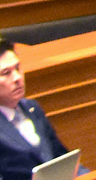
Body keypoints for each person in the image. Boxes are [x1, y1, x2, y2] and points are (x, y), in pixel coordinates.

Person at [0, 38, 67, 179]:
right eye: (6, 73)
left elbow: (61, 158)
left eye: (17, 68)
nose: (17, 77)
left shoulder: (32, 108)